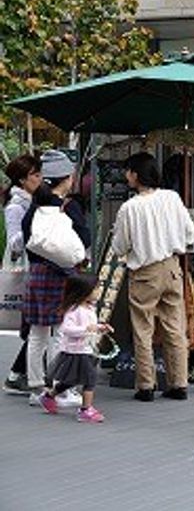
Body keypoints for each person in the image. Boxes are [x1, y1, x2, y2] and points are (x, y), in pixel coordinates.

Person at [112, 152, 194, 402]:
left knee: (143, 329)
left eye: (128, 171)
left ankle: (146, 386)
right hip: (172, 267)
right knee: (174, 327)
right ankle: (178, 383)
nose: (126, 176)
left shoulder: (129, 207)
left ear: (136, 174)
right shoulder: (172, 198)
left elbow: (119, 246)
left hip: (144, 273)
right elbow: (190, 234)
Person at [22, 150, 90, 408]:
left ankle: (36, 388)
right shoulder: (67, 206)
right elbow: (85, 240)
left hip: (37, 272)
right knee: (63, 332)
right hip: (61, 274)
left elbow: (29, 241)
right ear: (68, 178)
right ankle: (60, 388)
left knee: (38, 334)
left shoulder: (34, 206)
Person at [36, 274, 112, 423]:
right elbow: (67, 329)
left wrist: (100, 328)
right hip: (77, 351)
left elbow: (90, 327)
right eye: (96, 289)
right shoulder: (74, 310)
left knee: (72, 380)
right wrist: (87, 329)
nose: (99, 292)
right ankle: (85, 410)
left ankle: (49, 396)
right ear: (83, 292)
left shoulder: (89, 308)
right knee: (90, 379)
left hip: (87, 349)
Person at [3, 154, 42, 394]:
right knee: (38, 327)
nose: (40, 179)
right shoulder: (16, 206)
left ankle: (19, 373)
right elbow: (15, 242)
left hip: (34, 267)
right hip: (27, 269)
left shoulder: (33, 200)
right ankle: (18, 375)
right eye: (35, 175)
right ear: (21, 180)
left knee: (38, 327)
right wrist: (35, 225)